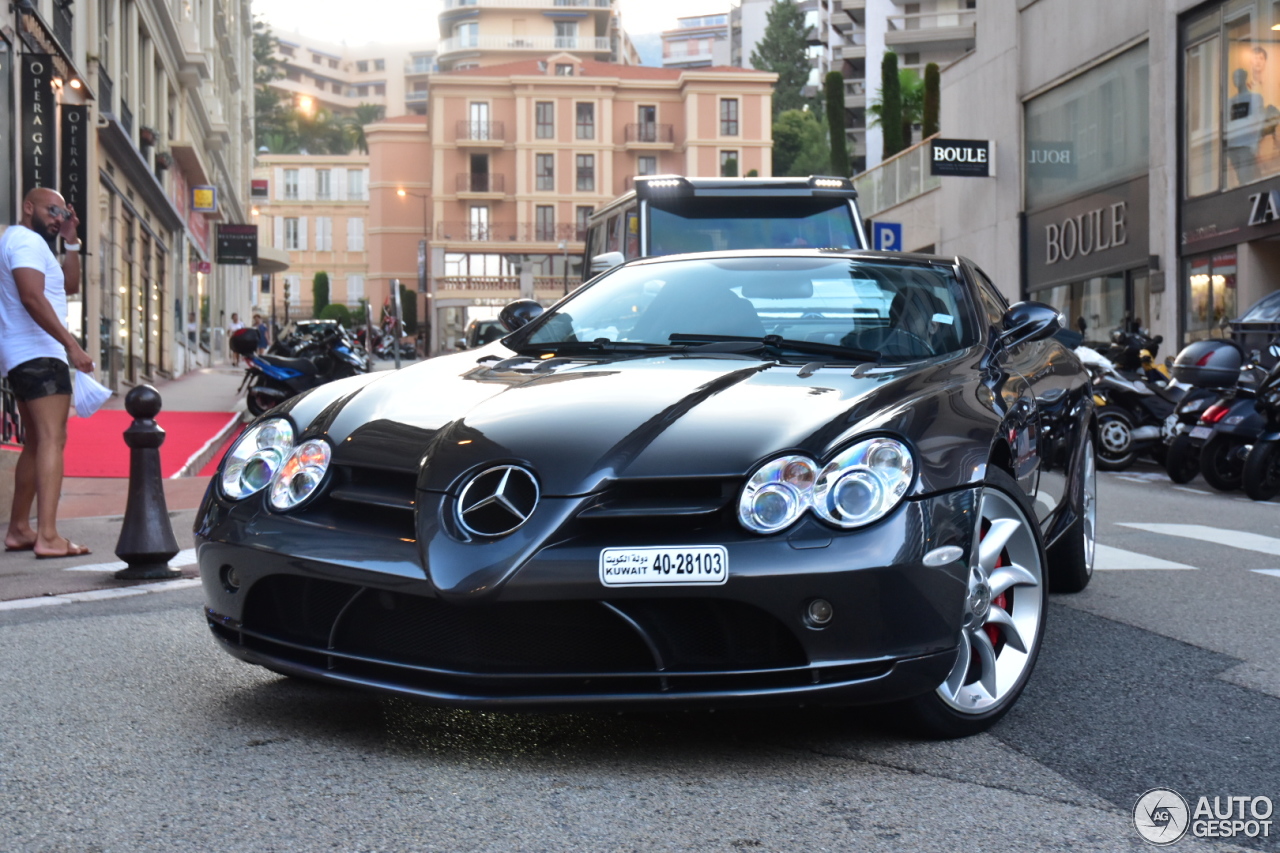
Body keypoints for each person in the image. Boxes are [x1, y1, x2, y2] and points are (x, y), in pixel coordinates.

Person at [0, 187, 94, 558]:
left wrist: (71, 242)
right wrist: (72, 346)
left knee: (37, 442)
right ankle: (49, 536)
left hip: (25, 356)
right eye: (51, 210)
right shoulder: (24, 241)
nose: (57, 217)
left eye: (62, 212)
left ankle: (21, 528)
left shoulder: (36, 246)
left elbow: (70, 286)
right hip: (39, 354)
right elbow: (31, 296)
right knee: (53, 440)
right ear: (28, 207)